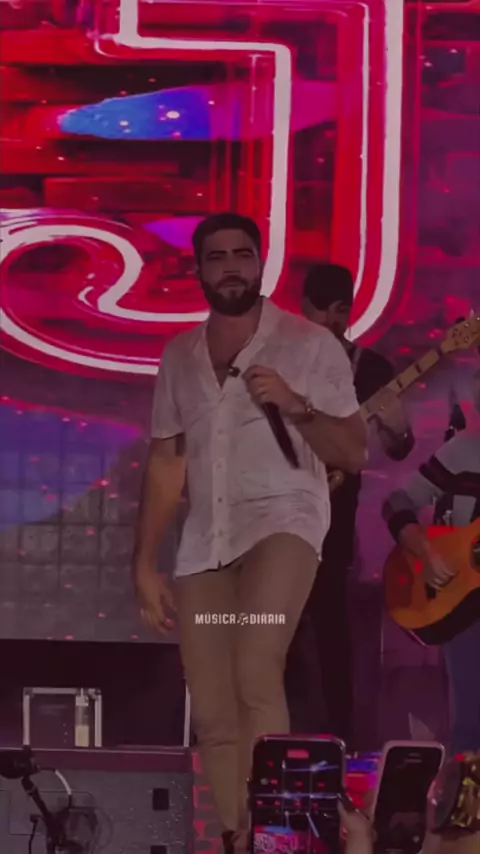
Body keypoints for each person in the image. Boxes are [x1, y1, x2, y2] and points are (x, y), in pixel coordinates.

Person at [132, 216, 367, 852]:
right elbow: (167, 462)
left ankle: (278, 835)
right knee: (212, 706)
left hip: (283, 524)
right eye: (218, 257)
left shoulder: (308, 345)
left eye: (243, 254)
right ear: (200, 270)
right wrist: (144, 564)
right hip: (206, 542)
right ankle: (240, 836)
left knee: (256, 664)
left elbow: (353, 451)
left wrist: (297, 405)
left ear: (261, 264)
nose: (231, 266)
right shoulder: (179, 356)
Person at [286, 263, 414, 745]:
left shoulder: (372, 370)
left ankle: (340, 742)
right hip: (271, 520)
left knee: (331, 635)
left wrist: (398, 427)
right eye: (319, 310)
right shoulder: (277, 364)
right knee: (272, 630)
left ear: (349, 311)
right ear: (303, 308)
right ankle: (270, 733)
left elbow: (400, 449)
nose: (329, 321)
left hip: (333, 528)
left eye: (338, 311)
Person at [383, 377, 480, 753]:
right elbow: (397, 501)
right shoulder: (461, 452)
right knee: (470, 727)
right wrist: (423, 548)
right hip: (462, 605)